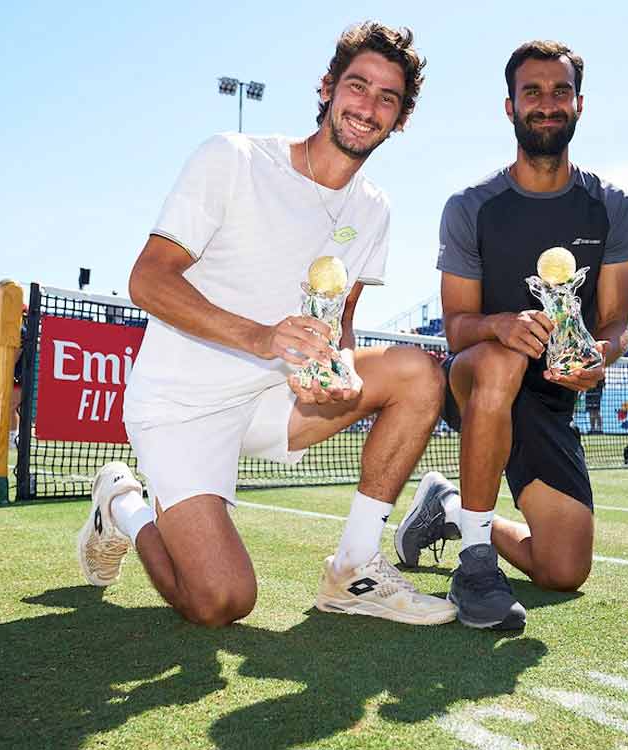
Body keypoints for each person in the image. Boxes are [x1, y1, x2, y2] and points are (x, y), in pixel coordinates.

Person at [77, 23, 452, 629]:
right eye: (358, 86)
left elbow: (343, 319)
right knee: (221, 602)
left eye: (388, 98)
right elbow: (148, 280)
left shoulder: (374, 208)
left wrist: (331, 374)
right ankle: (123, 505)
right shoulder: (233, 156)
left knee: (418, 373)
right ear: (328, 88)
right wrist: (260, 337)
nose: (368, 107)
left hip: (274, 399)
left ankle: (353, 570)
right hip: (182, 405)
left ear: (400, 118)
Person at [395, 38, 628, 629]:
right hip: (477, 380)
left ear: (579, 104)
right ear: (510, 106)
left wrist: (598, 358)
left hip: (550, 400)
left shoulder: (614, 207)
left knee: (563, 570)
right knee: (501, 361)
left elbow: (614, 323)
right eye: (532, 92)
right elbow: (456, 327)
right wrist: (502, 326)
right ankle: (475, 563)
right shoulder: (471, 206)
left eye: (560, 92)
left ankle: (448, 508)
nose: (547, 103)